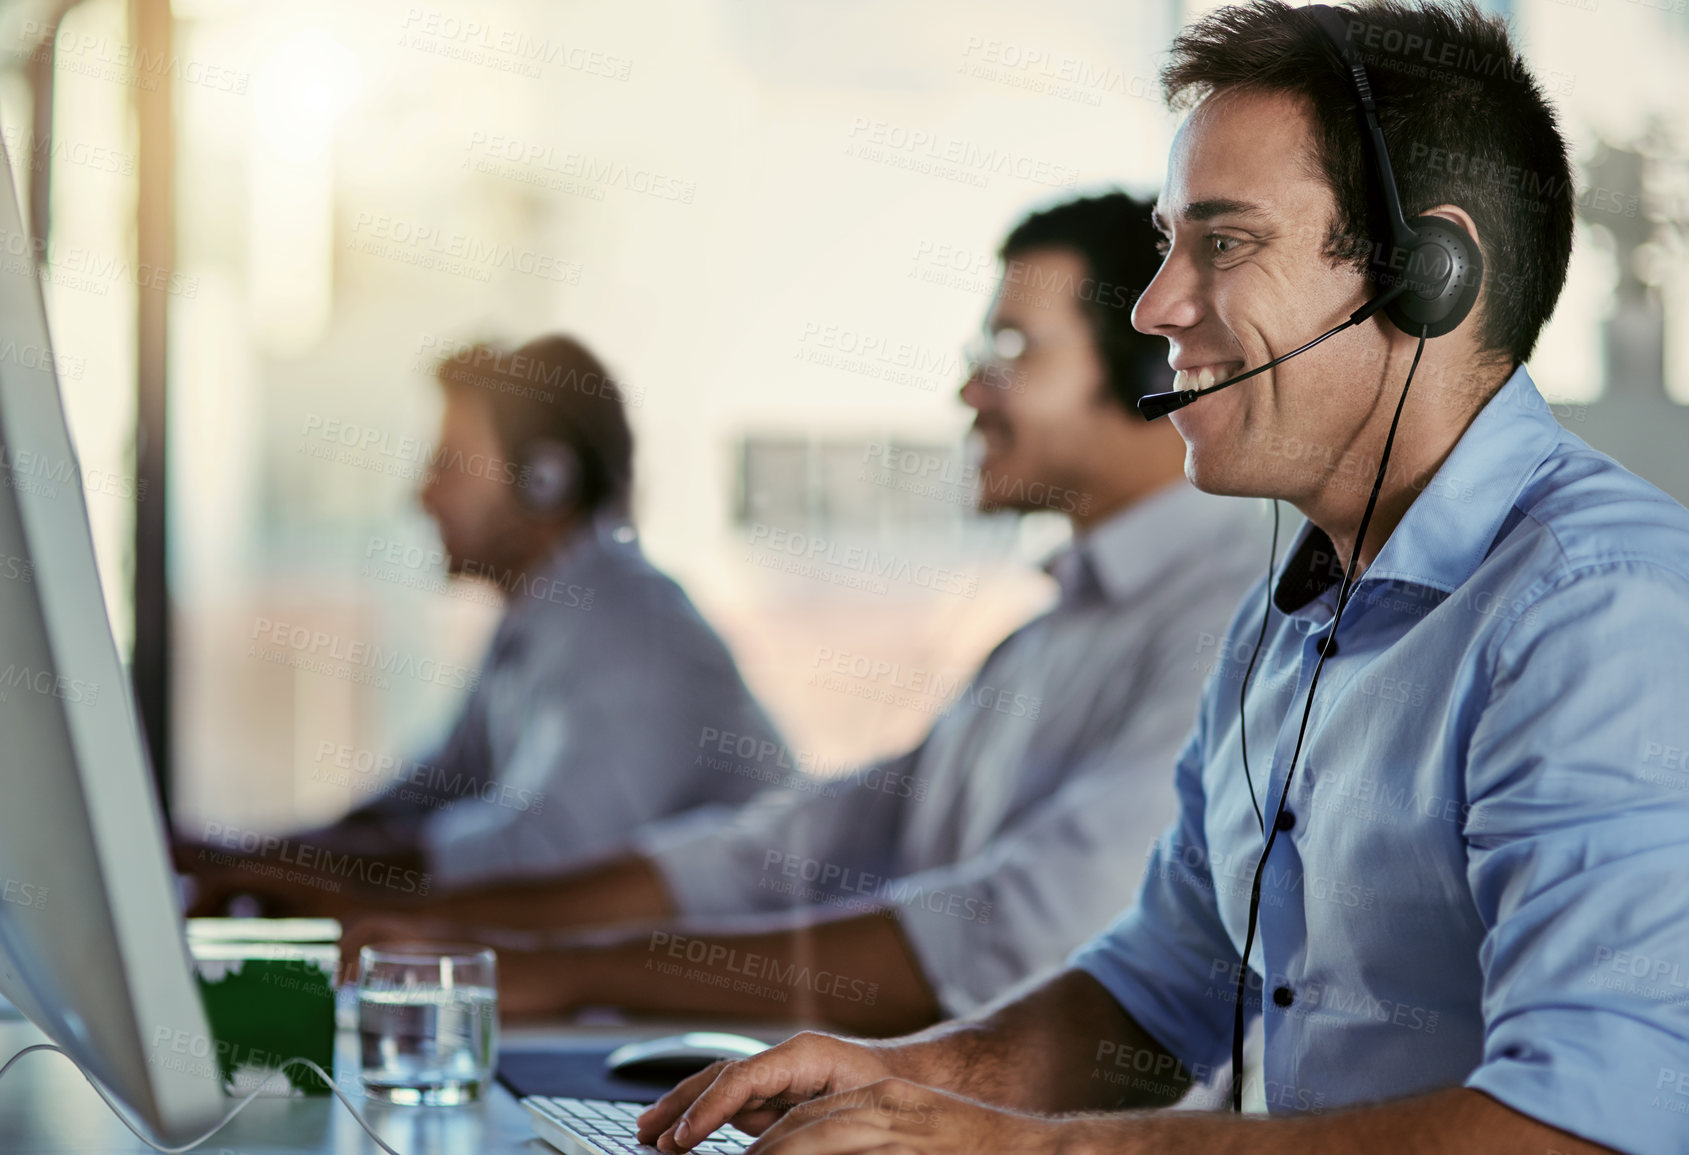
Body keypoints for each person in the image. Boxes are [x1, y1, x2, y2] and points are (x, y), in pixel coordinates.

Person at [631, 3, 1689, 1154]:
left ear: (1427, 276)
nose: (1154, 308)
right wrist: (897, 1087)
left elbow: (1591, 1129)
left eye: (1224, 243)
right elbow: (1157, 991)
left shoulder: (1599, 606)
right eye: (1169, 244)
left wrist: (1027, 1148)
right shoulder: (1289, 616)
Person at [341, 191, 1271, 1035]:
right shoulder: (1051, 632)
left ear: (1154, 362)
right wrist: (473, 935)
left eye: (1011, 352)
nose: (967, 393)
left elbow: (1009, 929)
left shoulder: (1228, 619)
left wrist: (567, 969)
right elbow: (786, 846)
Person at [182, 335, 783, 908]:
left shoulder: (636, 633)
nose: (422, 496)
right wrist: (250, 858)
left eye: (449, 464)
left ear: (545, 481)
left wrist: (288, 873)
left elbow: (539, 863)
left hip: (739, 1012)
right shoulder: (538, 621)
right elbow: (424, 798)